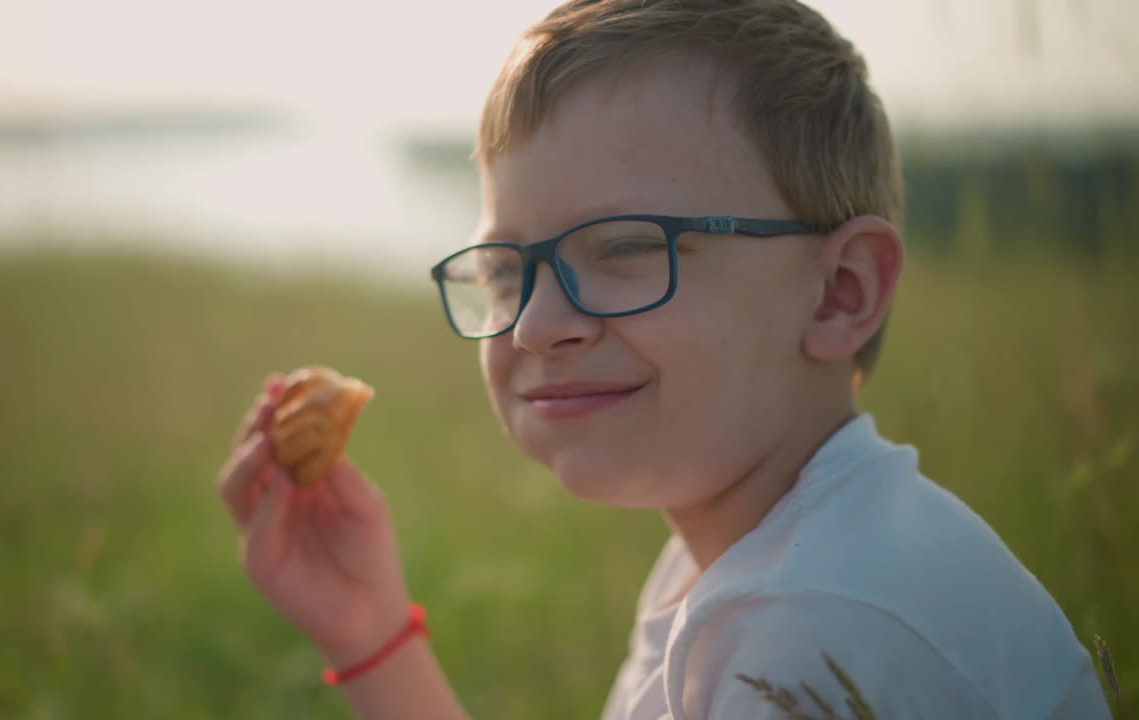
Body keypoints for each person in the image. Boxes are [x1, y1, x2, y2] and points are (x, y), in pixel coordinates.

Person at [216, 0, 1111, 717]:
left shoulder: (822, 623)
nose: (533, 326)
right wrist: (372, 634)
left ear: (841, 292)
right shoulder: (746, 560)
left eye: (625, 246)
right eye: (502, 269)